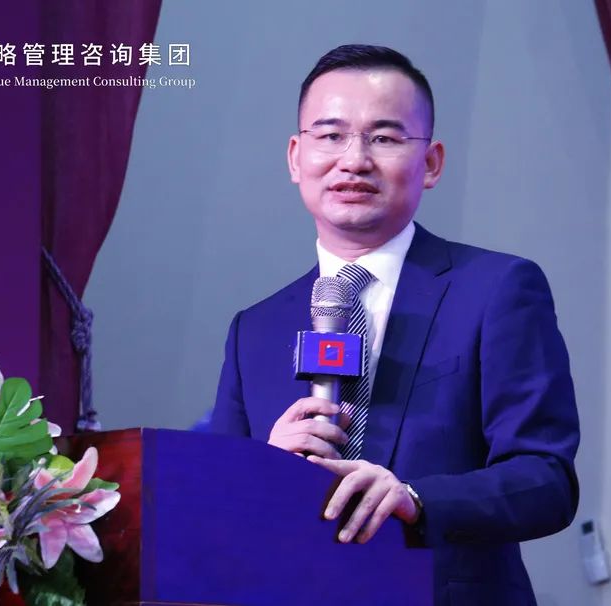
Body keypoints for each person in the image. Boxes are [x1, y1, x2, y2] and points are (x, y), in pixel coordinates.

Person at [210, 44, 580, 606]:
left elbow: (546, 480)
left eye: (384, 138)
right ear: (295, 157)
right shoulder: (254, 330)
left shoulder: (497, 290)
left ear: (430, 163)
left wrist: (417, 500)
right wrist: (264, 468)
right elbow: (217, 515)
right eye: (330, 135)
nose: (354, 160)